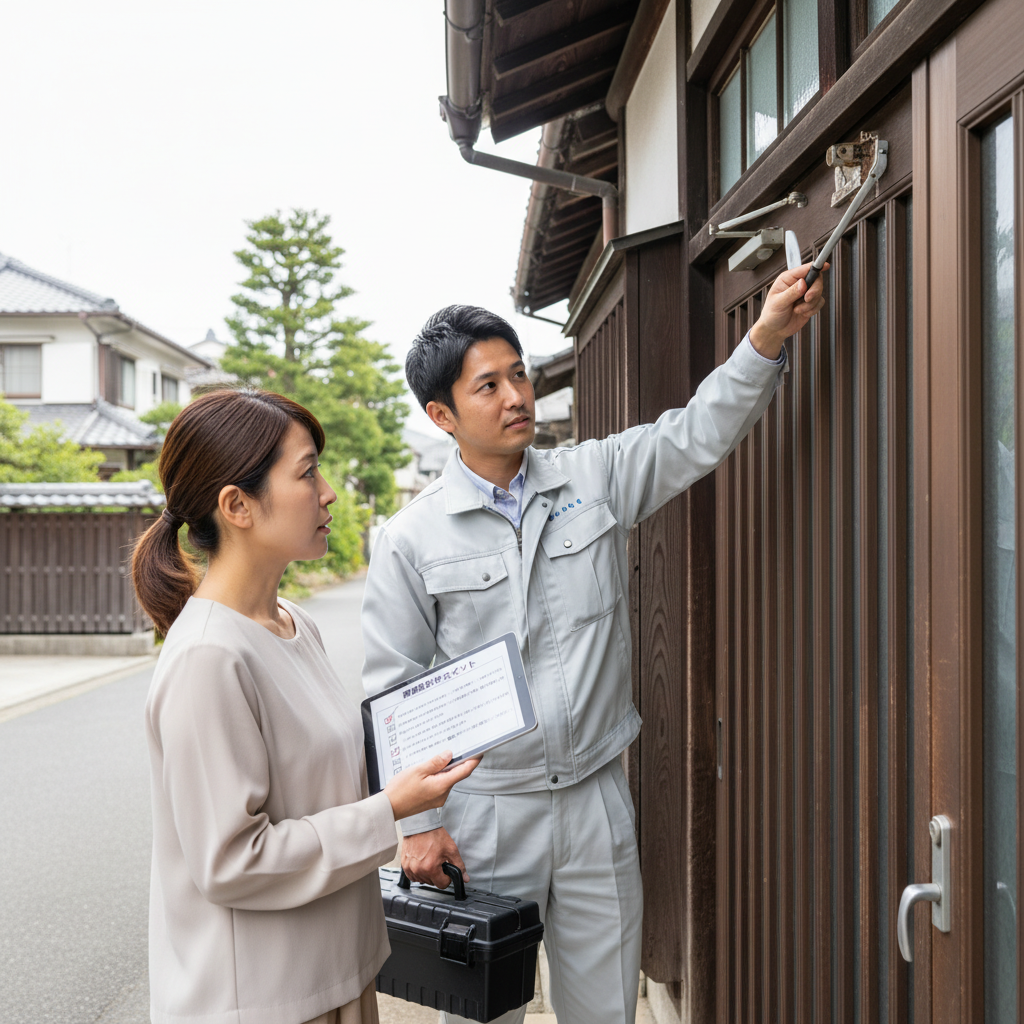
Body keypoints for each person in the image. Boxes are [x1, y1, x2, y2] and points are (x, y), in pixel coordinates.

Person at [360, 265, 826, 1024]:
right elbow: (393, 687)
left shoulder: (593, 476)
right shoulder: (410, 539)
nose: (515, 396)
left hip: (596, 797)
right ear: (442, 416)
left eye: (518, 374)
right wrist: (418, 827)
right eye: (488, 386)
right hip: (484, 811)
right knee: (482, 1015)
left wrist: (765, 338)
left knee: (605, 1009)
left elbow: (694, 435)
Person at [132, 388, 479, 1024]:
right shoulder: (208, 658)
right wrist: (390, 811)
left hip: (338, 974)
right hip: (265, 1001)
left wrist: (415, 794)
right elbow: (232, 862)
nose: (328, 493)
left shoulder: (293, 622)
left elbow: (320, 781)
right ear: (237, 505)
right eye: (307, 472)